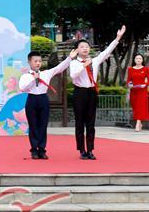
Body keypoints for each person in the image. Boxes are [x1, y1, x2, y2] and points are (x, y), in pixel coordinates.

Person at [69, 25, 126, 159]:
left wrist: (118, 38)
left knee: (91, 123)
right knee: (79, 123)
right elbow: (73, 75)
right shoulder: (74, 63)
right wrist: (84, 65)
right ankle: (81, 150)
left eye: (87, 46)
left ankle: (90, 150)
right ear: (77, 50)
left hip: (91, 93)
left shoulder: (94, 61)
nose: (85, 48)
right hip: (79, 93)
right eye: (82, 47)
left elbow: (106, 52)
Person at [18, 49, 78, 159]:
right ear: (29, 62)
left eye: (40, 61)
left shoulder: (46, 73)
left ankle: (42, 150)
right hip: (32, 99)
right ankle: (34, 150)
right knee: (33, 126)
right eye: (35, 61)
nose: (38, 63)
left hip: (43, 99)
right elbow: (22, 88)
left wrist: (69, 58)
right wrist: (33, 79)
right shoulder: (25, 76)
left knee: (43, 125)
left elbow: (59, 68)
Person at [127, 54, 148, 132]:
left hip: (142, 91)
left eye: (140, 58)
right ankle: (140, 123)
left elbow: (148, 80)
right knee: (135, 106)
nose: (138, 60)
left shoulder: (146, 69)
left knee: (140, 106)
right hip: (134, 91)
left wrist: (145, 85)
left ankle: (138, 123)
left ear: (142, 60)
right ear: (134, 60)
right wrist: (129, 85)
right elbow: (129, 80)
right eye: (137, 58)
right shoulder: (130, 69)